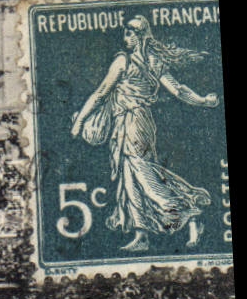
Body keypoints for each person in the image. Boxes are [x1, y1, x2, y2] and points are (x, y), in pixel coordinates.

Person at [70, 15, 219, 254]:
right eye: (125, 33)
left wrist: (79, 122)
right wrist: (203, 101)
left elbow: (100, 94)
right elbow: (179, 90)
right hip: (138, 123)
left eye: (130, 33)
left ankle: (189, 210)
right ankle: (141, 234)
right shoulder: (153, 61)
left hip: (132, 122)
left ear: (140, 37)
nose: (125, 37)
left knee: (143, 174)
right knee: (131, 178)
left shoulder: (123, 61)